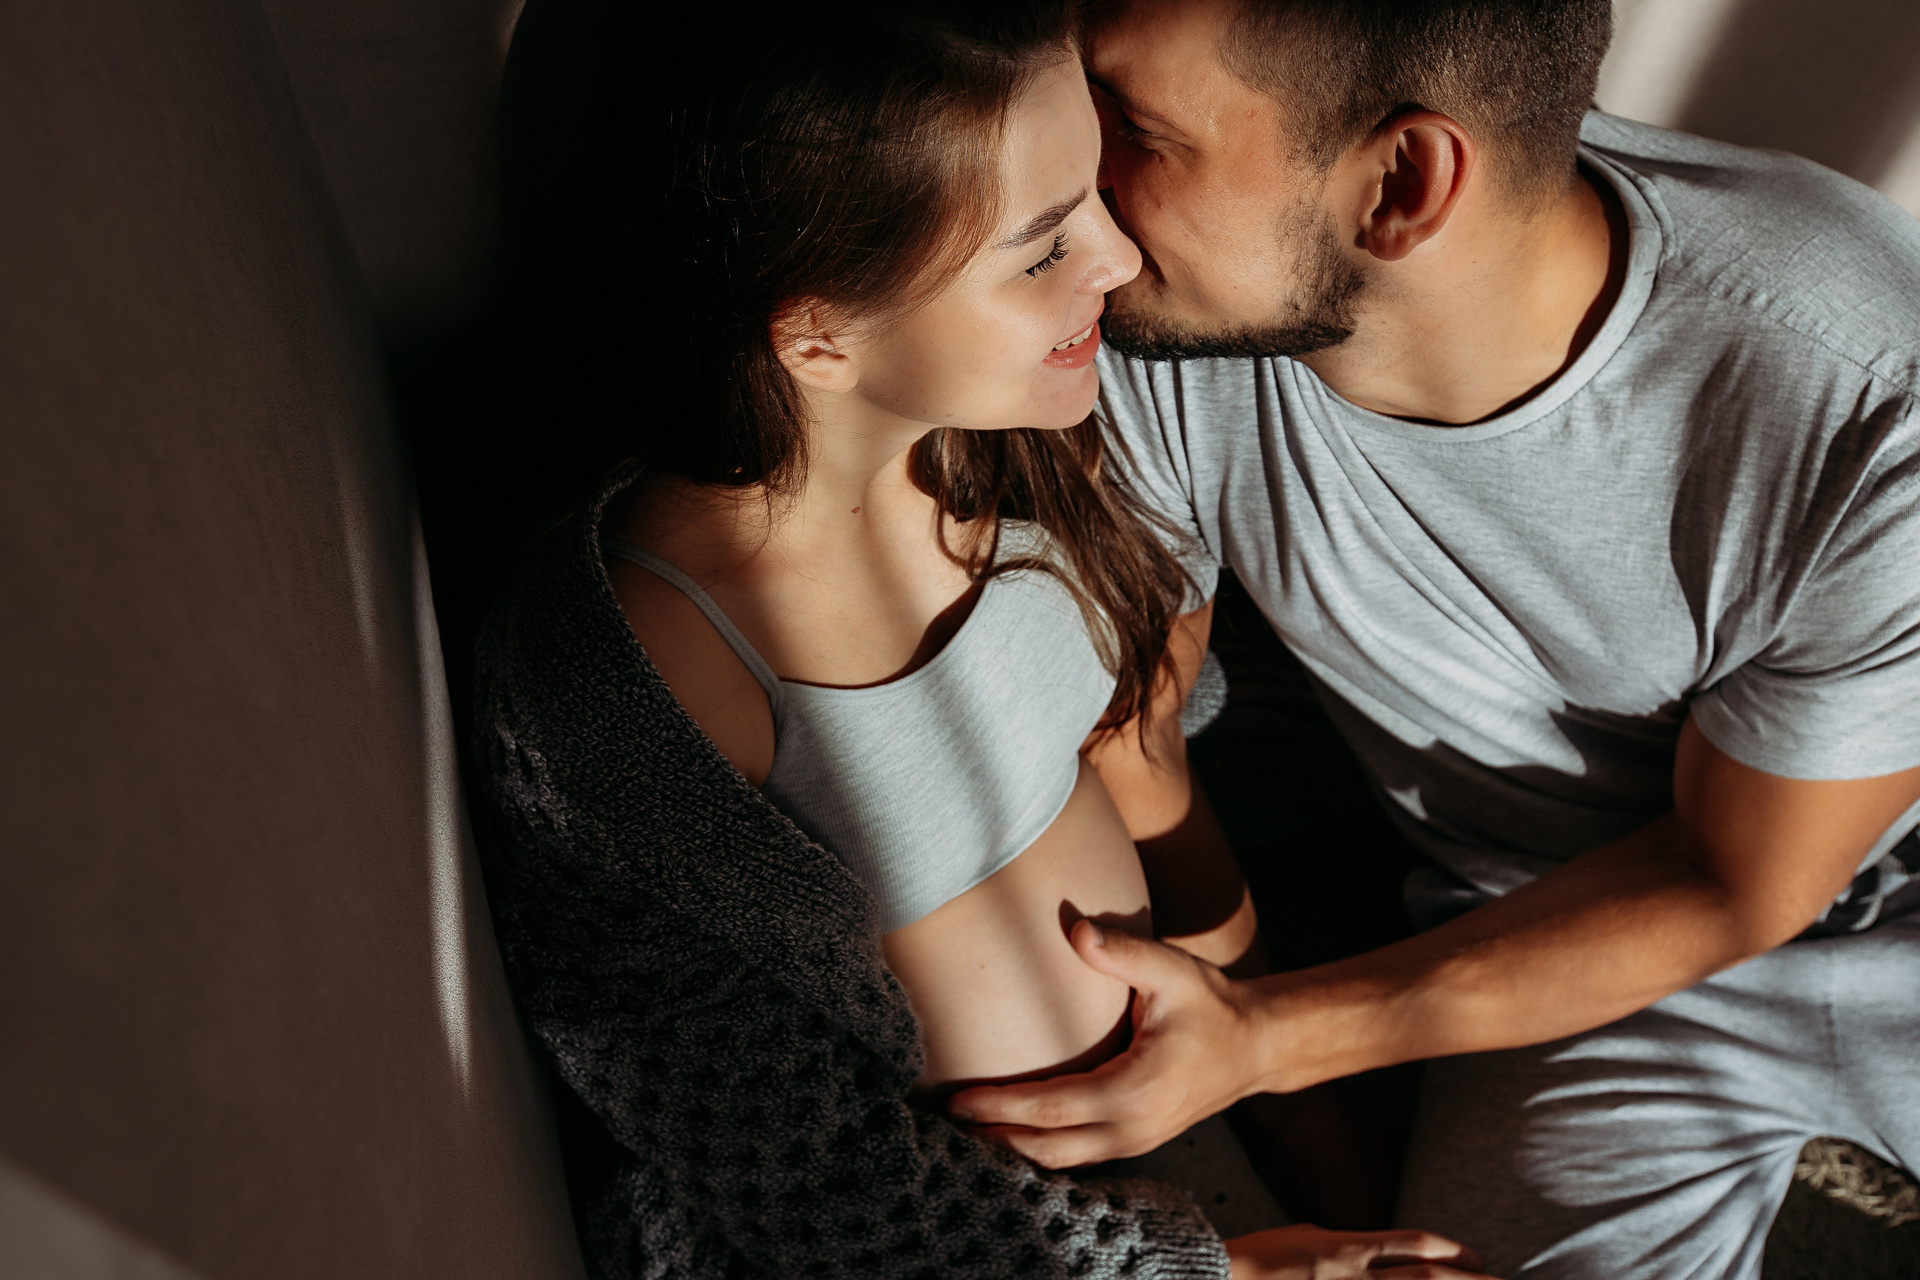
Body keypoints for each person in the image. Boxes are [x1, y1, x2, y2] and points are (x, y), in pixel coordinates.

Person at [468, 0, 1492, 1276]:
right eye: (1044, 247)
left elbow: (1148, 760)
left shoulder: (1007, 448)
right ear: (819, 333)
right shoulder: (642, 672)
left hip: (1209, 1132)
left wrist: (1296, 1104)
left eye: (1097, 192)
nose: (1119, 257)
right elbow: (788, 1165)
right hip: (1013, 1250)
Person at [946, 0, 1920, 1276]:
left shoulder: (1863, 394)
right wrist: (1298, 1107)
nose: (1078, 175)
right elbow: (1136, 728)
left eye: (1134, 125)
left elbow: (1736, 878)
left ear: (1401, 185)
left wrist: (1267, 1040)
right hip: (1541, 931)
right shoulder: (1149, 310)